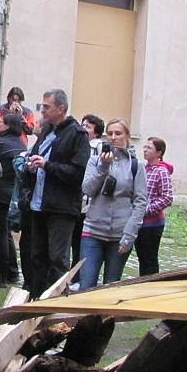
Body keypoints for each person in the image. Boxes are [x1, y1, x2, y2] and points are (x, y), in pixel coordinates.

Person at [23, 89, 90, 299]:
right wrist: (30, 166)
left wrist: (47, 166)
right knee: (36, 257)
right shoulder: (45, 131)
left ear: (61, 108)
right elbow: (34, 155)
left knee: (57, 259)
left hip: (61, 208)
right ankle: (35, 301)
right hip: (39, 204)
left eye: (47, 107)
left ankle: (55, 305)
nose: (42, 111)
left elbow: (78, 173)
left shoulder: (77, 135)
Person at [80, 118, 147, 289]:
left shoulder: (136, 165)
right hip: (93, 231)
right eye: (109, 134)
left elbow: (140, 202)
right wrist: (103, 168)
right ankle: (84, 316)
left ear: (127, 136)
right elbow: (87, 189)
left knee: (111, 287)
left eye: (118, 133)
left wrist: (130, 235)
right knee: (86, 285)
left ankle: (105, 317)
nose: (113, 137)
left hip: (119, 234)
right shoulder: (95, 161)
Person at [0, 112, 25, 287]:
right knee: (5, 232)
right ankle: (12, 272)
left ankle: (0, 275)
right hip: (13, 195)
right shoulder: (21, 144)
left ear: (7, 126)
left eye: (0, 122)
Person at [71, 113, 105, 288]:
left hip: (88, 203)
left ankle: (78, 278)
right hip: (77, 201)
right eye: (82, 125)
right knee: (75, 242)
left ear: (96, 132)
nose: (83, 128)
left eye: (88, 126)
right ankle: (73, 276)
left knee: (80, 244)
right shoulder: (80, 144)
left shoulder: (97, 147)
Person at [135, 137, 174, 276]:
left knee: (149, 258)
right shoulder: (143, 168)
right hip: (139, 222)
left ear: (159, 153)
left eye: (149, 148)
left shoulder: (161, 171)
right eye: (144, 147)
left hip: (152, 223)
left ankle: (150, 285)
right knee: (141, 257)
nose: (145, 150)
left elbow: (167, 197)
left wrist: (146, 210)